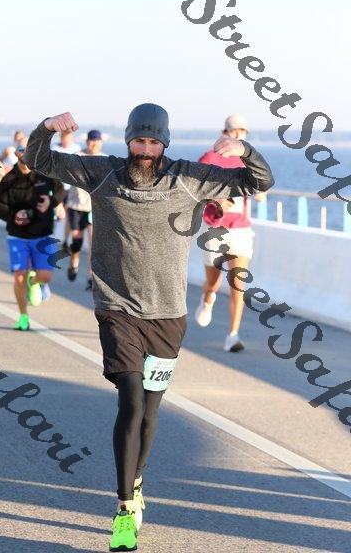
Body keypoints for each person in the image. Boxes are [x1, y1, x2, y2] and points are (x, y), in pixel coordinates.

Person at [24, 104, 274, 552]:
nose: (145, 149)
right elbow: (38, 160)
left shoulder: (190, 178)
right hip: (116, 308)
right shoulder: (101, 172)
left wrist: (245, 150)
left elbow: (260, 181)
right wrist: (46, 128)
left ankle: (137, 482)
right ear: (128, 140)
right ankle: (124, 509)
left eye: (153, 142)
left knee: (151, 409)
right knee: (132, 400)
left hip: (168, 316)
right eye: (138, 141)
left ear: (164, 143)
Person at [195, 114, 267, 352]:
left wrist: (261, 192)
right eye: (235, 131)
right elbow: (194, 191)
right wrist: (216, 201)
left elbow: (261, 187)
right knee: (213, 283)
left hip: (241, 230)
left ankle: (232, 336)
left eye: (243, 131)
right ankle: (208, 298)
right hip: (215, 228)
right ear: (225, 132)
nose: (238, 135)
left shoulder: (248, 161)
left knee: (238, 284)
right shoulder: (209, 158)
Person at [0, 145, 64, 331]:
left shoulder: (44, 173)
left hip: (43, 234)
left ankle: (33, 283)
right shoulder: (9, 179)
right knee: (19, 277)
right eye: (22, 153)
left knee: (45, 277)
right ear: (17, 155)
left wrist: (51, 201)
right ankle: (23, 316)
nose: (26, 156)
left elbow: (60, 191)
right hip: (17, 236)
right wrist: (13, 216)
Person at [66, 129, 106, 289]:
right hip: (76, 205)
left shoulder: (105, 160)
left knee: (93, 243)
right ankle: (74, 263)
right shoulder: (77, 157)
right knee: (77, 241)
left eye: (96, 141)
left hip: (94, 207)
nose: (93, 143)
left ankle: (91, 276)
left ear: (100, 142)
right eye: (91, 140)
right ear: (87, 141)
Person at [53, 128, 82, 251]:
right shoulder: (55, 148)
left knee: (69, 216)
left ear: (71, 138)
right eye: (63, 138)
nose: (65, 140)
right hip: (59, 187)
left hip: (72, 188)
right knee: (57, 214)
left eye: (67, 138)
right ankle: (52, 237)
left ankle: (65, 241)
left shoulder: (77, 149)